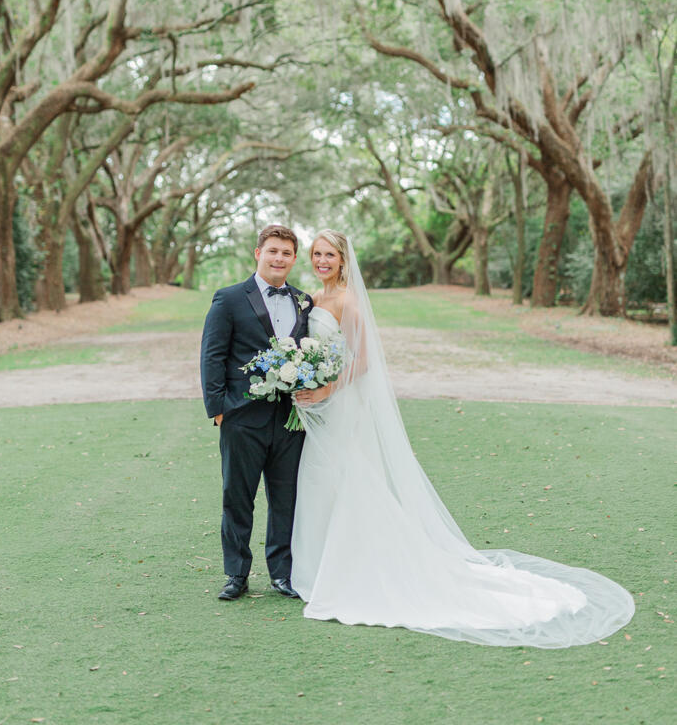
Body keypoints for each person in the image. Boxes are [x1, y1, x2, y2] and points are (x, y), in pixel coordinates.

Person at [290, 229, 635, 647]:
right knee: (320, 479)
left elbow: (363, 362)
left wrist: (326, 389)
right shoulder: (313, 298)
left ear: (344, 260)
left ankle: (349, 570)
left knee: (345, 479)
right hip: (321, 409)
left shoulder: (348, 301)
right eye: (317, 253)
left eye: (330, 254)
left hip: (342, 406)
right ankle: (317, 567)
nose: (322, 260)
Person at [200, 225, 313, 601]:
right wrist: (219, 411)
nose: (279, 258)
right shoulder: (229, 299)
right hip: (241, 418)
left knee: (286, 497)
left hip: (291, 420)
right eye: (273, 251)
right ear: (258, 253)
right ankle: (236, 574)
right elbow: (212, 355)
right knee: (238, 496)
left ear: (294, 259)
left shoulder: (304, 302)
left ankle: (282, 574)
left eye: (286, 253)